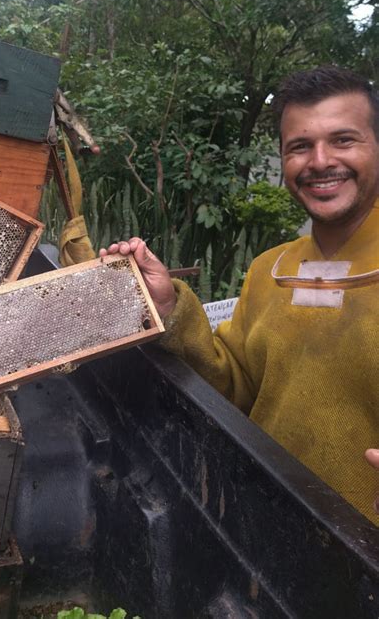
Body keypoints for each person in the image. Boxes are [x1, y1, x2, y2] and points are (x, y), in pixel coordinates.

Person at [101, 66, 379, 525]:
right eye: (300, 147)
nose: (321, 161)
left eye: (344, 140)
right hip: (268, 521)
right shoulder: (270, 269)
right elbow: (233, 385)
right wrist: (168, 306)